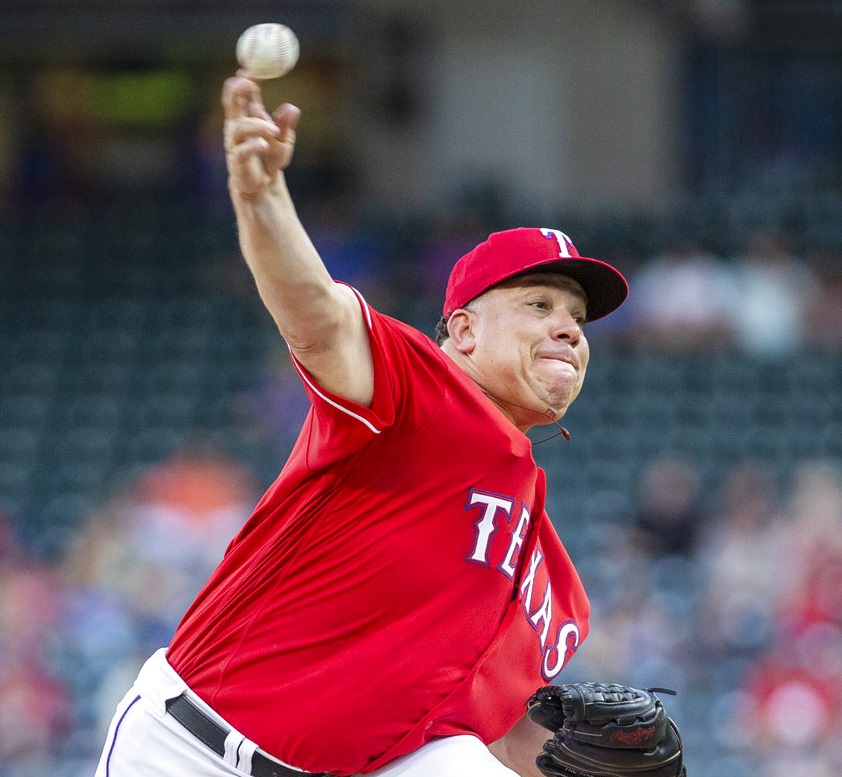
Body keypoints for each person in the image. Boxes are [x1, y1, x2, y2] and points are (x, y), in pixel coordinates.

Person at [94, 75, 629, 777]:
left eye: (578, 320)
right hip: (191, 751)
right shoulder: (415, 387)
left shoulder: (553, 579)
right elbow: (316, 314)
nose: (569, 329)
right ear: (462, 329)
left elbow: (486, 739)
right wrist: (262, 202)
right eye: (539, 304)